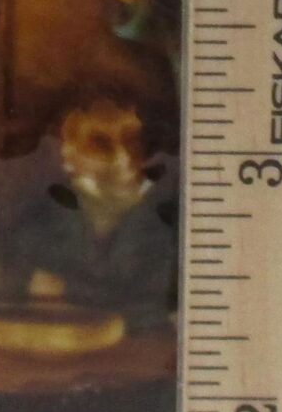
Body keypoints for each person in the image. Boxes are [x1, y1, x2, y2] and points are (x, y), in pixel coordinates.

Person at [11, 96, 178, 333]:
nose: (65, 151)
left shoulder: (160, 217)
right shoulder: (49, 211)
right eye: (101, 145)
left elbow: (156, 306)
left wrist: (68, 290)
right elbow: (21, 284)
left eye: (131, 143)